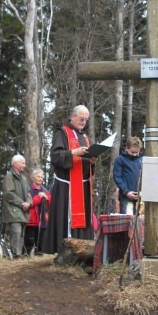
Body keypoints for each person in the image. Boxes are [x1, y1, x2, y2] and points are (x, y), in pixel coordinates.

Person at [42, 105, 97, 254]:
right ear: (73, 116)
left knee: (84, 219)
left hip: (83, 185)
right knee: (67, 219)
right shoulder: (62, 133)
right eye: (81, 119)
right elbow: (55, 157)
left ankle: (82, 251)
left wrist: (91, 161)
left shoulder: (84, 137)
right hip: (67, 186)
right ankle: (66, 251)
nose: (83, 122)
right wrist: (73, 152)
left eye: (86, 120)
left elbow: (85, 161)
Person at [2, 155, 32, 258]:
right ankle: (16, 255)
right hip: (12, 211)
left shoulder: (23, 178)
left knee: (21, 233)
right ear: (15, 164)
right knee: (16, 231)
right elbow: (9, 194)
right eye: (22, 163)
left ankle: (17, 254)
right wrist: (22, 203)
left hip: (22, 211)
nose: (24, 165)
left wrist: (29, 203)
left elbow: (28, 193)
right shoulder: (9, 176)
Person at [113, 137, 143, 215]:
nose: (135, 154)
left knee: (140, 219)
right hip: (126, 196)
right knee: (127, 219)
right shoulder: (120, 160)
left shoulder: (142, 160)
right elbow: (117, 177)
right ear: (127, 148)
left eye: (137, 152)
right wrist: (126, 192)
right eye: (132, 152)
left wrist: (142, 192)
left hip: (140, 197)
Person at [25, 168, 51, 255]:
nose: (40, 179)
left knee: (41, 241)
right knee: (29, 241)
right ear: (33, 178)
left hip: (42, 219)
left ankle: (39, 254)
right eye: (38, 177)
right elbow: (29, 203)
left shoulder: (45, 191)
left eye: (42, 177)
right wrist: (39, 197)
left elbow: (50, 205)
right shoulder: (28, 189)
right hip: (31, 219)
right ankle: (26, 255)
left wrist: (47, 199)